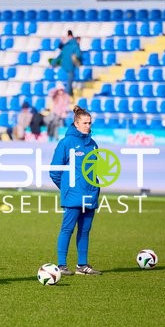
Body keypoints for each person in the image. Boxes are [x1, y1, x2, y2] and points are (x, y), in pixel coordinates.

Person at [50, 105, 102, 276]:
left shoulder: (93, 144)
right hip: (73, 195)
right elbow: (54, 172)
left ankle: (82, 266)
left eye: (90, 123)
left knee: (85, 230)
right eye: (85, 123)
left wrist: (94, 186)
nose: (88, 126)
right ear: (76, 124)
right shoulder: (66, 143)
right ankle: (61, 265)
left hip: (90, 194)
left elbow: (93, 170)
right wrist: (67, 188)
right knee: (67, 229)